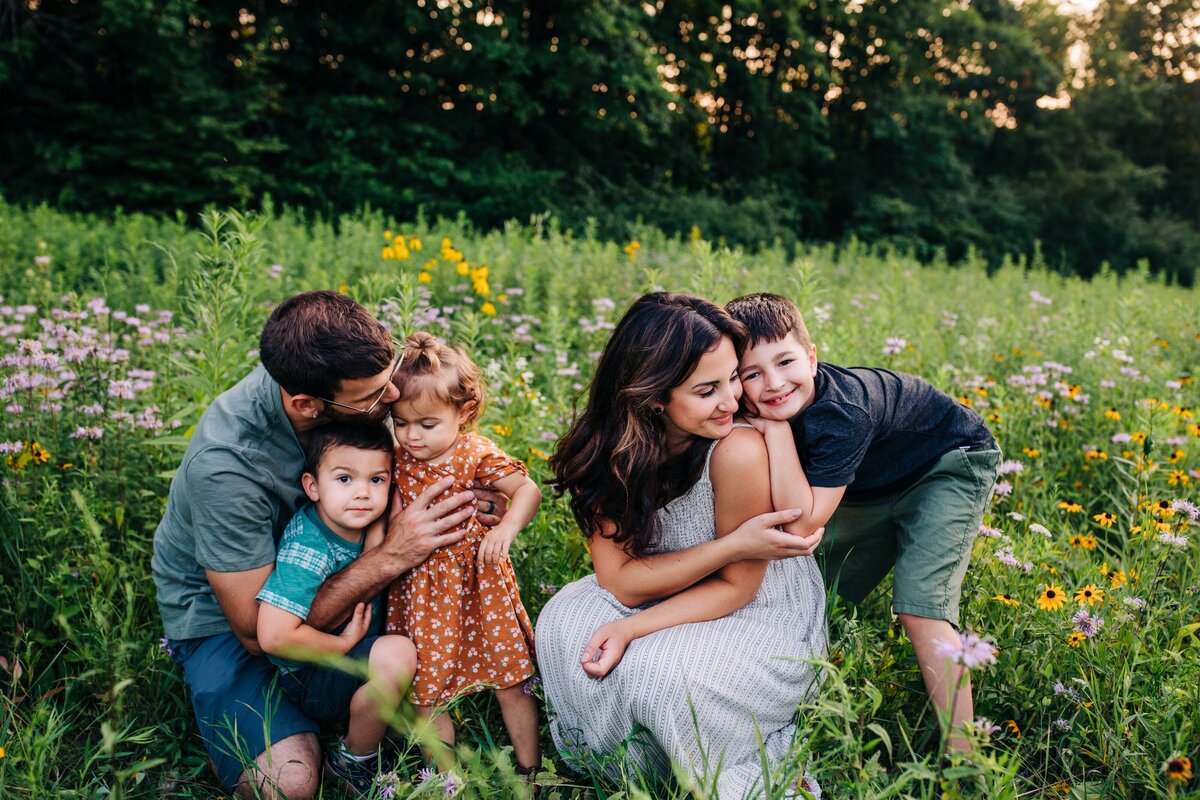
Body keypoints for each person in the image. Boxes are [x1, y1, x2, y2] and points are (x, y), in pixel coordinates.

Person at [152, 290, 503, 799]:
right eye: (373, 397)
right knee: (288, 784)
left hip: (336, 568)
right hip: (231, 622)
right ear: (306, 405)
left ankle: (338, 719)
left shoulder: (336, 372)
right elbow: (258, 631)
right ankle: (289, 722)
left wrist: (468, 493)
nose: (391, 398)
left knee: (413, 686)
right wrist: (391, 555)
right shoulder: (227, 467)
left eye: (388, 379)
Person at [536, 292, 827, 799]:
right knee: (561, 622)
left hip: (755, 610)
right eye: (707, 390)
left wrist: (631, 628)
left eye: (733, 377)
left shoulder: (737, 450)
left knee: (660, 674)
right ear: (654, 397)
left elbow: (738, 586)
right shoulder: (609, 450)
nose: (732, 400)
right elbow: (620, 581)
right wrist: (731, 545)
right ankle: (635, 765)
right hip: (657, 587)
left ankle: (707, 765)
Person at [725, 292, 1001, 752]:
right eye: (753, 373)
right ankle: (775, 697)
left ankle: (965, 759)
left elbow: (801, 525)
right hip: (870, 485)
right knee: (810, 586)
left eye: (785, 362)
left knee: (921, 607)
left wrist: (775, 430)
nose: (774, 384)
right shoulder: (750, 407)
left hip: (946, 464)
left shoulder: (843, 413)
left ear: (812, 358)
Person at [384, 332, 542, 774]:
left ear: (465, 412)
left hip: (480, 583)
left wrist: (506, 528)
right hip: (423, 594)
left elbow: (526, 490)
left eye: (427, 424)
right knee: (427, 692)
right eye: (401, 423)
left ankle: (530, 771)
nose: (412, 436)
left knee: (511, 678)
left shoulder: (474, 453)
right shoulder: (396, 459)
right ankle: (446, 780)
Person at [255, 422, 415, 796]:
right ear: (312, 486)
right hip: (311, 676)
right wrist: (342, 645)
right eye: (344, 479)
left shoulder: (357, 516)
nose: (362, 492)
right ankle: (351, 761)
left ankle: (382, 724)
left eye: (377, 480)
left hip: (341, 660)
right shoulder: (309, 549)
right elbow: (273, 637)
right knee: (399, 654)